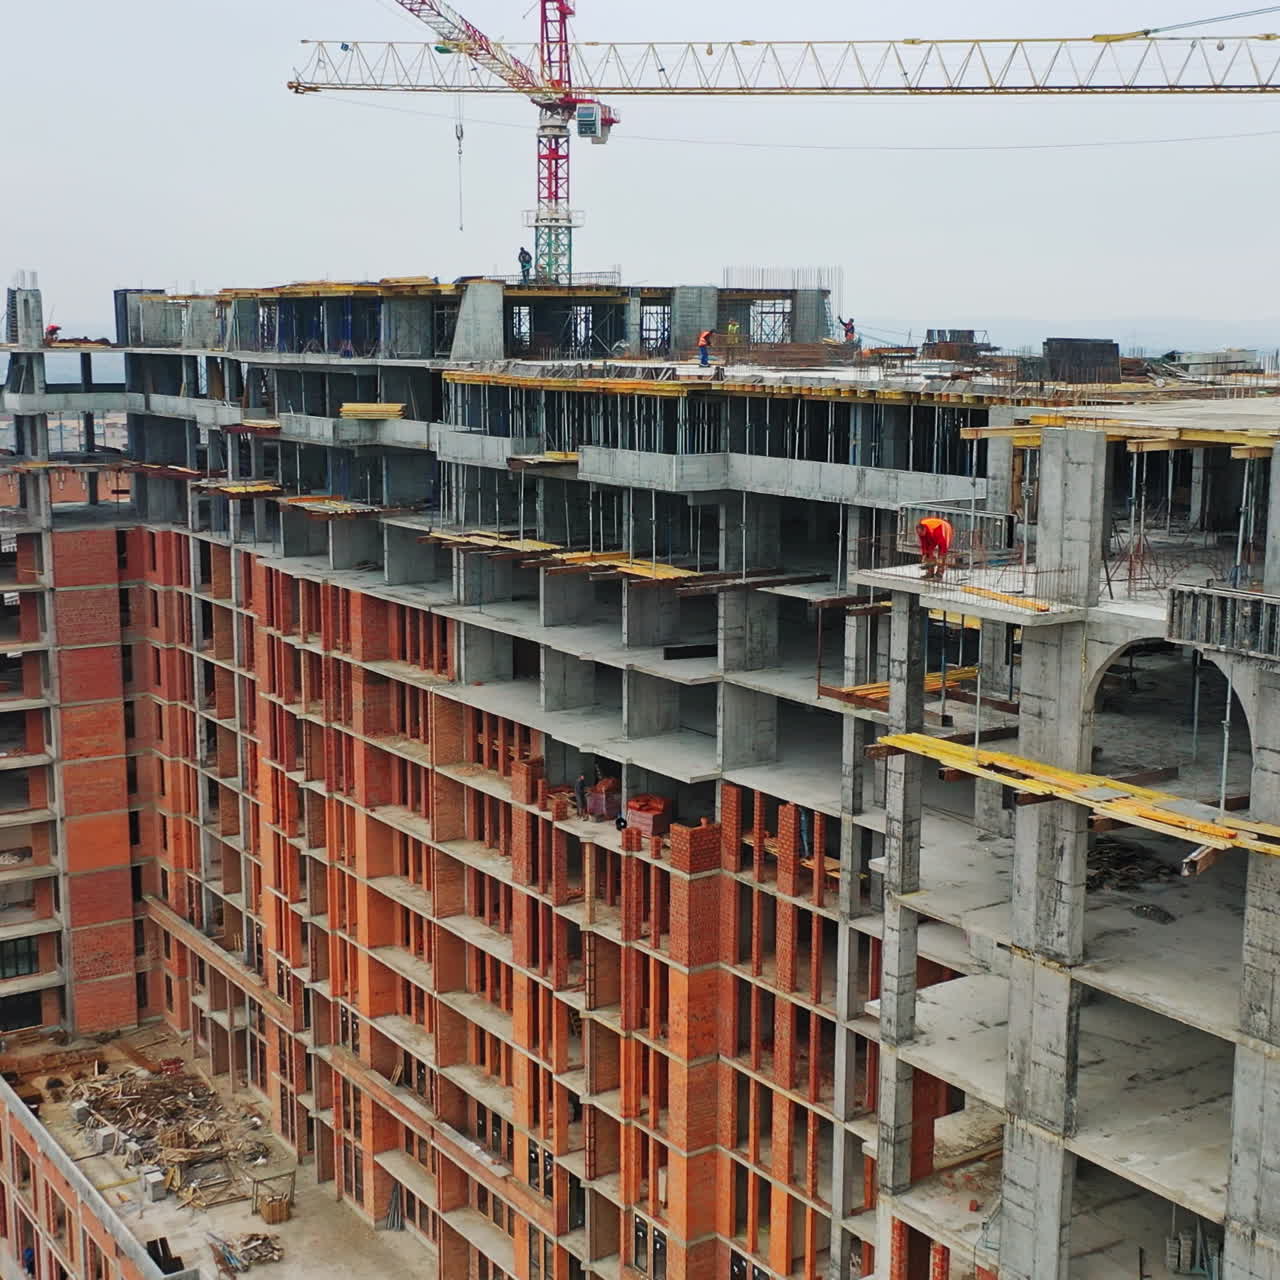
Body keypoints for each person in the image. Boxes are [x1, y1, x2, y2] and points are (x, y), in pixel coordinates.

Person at [917, 516, 954, 581]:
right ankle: (930, 572)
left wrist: (941, 557)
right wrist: (924, 554)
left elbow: (943, 545)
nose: (921, 535)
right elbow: (924, 543)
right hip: (931, 533)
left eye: (922, 533)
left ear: (924, 529)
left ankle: (939, 574)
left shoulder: (937, 531)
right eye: (920, 534)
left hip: (944, 529)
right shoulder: (920, 530)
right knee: (928, 552)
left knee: (941, 554)